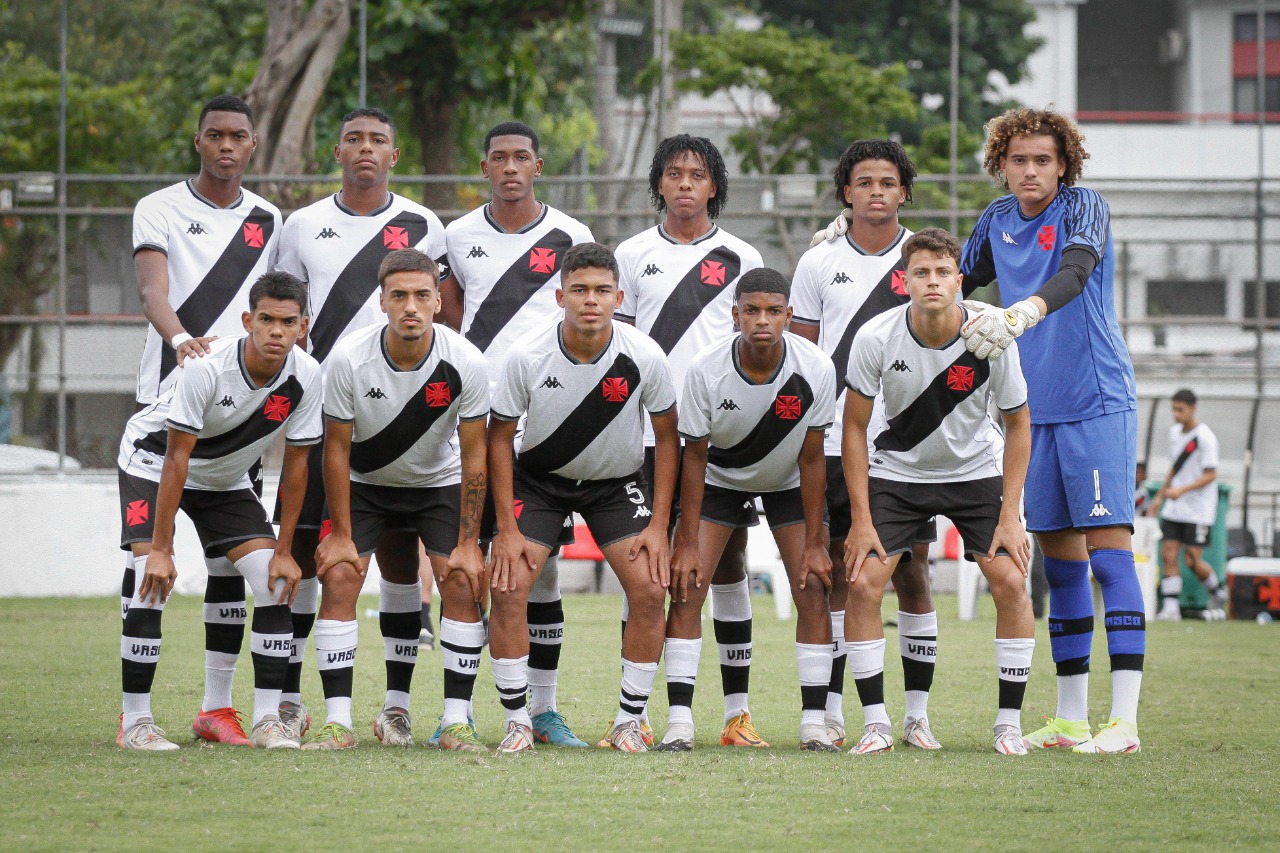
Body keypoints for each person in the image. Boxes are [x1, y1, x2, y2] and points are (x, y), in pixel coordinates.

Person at [956, 107, 1145, 754]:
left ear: (1064, 165)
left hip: (1097, 400)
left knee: (1109, 554)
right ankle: (1070, 720)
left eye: (1043, 159)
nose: (1031, 170)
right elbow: (946, 280)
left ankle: (1124, 723)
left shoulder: (1084, 206)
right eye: (1019, 160)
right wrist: (865, 246)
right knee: (1060, 567)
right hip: (1032, 415)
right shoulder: (995, 220)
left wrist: (1022, 312)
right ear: (1001, 166)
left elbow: (1076, 271)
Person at [272, 106, 451, 742]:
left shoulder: (424, 225)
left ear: (394, 155)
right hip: (323, 418)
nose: (366, 149)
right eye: (354, 139)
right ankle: (287, 700)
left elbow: (443, 313)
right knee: (305, 558)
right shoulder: (302, 225)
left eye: (378, 140)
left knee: (401, 566)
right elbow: (286, 312)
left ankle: (395, 708)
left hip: (405, 419)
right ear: (338, 151)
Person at [842, 228, 1035, 756]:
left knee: (1011, 582)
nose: (932, 281)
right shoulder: (875, 337)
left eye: (942, 272)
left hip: (974, 472)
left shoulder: (991, 335)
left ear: (959, 281)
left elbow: (1019, 423)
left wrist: (1011, 516)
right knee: (864, 584)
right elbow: (853, 427)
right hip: (898, 474)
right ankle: (879, 725)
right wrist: (861, 519)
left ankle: (1008, 726)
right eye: (921, 272)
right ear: (904, 281)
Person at [131, 94, 284, 747]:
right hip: (166, 407)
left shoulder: (268, 219)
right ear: (198, 141)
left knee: (231, 571)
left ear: (252, 144)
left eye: (237, 136)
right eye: (215, 135)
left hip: (236, 421)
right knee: (147, 570)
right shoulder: (158, 207)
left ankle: (217, 709)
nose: (226, 145)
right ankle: (135, 717)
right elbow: (152, 291)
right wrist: (181, 341)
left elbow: (275, 307)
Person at [115, 272, 321, 750]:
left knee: (275, 583)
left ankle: (262, 719)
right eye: (266, 319)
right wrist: (161, 549)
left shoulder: (308, 376)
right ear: (248, 321)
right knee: (150, 579)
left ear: (302, 326)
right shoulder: (206, 368)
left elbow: (297, 466)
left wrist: (285, 550)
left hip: (225, 479)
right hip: (152, 463)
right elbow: (176, 457)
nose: (276, 331)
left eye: (287, 322)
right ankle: (136, 722)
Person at [487, 242, 678, 753]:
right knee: (508, 587)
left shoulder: (644, 356)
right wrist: (506, 529)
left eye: (601, 290)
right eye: (579, 290)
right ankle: (518, 723)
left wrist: (659, 526)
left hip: (615, 484)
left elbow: (667, 438)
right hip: (539, 482)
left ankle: (628, 723)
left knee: (650, 589)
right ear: (560, 297)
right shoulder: (527, 355)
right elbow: (499, 438)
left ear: (618, 297)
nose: (590, 300)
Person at [441, 121, 596, 747]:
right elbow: (453, 320)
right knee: (467, 567)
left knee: (541, 572)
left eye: (522, 157)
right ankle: (457, 714)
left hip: (545, 428)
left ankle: (544, 711)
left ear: (539, 166)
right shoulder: (457, 236)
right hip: (476, 424)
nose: (510, 167)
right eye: (499, 158)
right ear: (485, 167)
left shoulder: (572, 236)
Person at [615, 134, 767, 749]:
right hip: (648, 436)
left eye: (697, 175)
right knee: (645, 570)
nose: (684, 184)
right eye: (673, 173)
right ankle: (637, 714)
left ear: (714, 186)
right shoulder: (631, 254)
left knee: (726, 563)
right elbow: (620, 348)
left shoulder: (741, 256)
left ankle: (737, 714)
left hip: (721, 435)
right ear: (659, 183)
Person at [305, 249, 490, 751]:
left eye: (422, 296)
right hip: (366, 484)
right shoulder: (348, 358)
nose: (411, 306)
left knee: (460, 580)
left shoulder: (466, 361)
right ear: (382, 301)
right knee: (341, 575)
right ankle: (339, 723)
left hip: (438, 483)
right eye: (400, 296)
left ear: (438, 301)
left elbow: (475, 455)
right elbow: (336, 449)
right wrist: (341, 534)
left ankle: (455, 722)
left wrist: (469, 542)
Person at [794, 139, 942, 749]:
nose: (876, 191)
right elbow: (803, 355)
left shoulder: (925, 262)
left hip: (906, 442)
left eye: (887, 182)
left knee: (914, 574)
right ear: (846, 192)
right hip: (835, 438)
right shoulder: (817, 262)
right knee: (839, 570)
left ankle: (916, 716)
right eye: (864, 182)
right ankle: (832, 713)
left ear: (904, 191)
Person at [661, 268, 836, 752]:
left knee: (813, 588)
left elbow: (813, 457)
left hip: (788, 481)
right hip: (718, 479)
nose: (763, 320)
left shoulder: (816, 367)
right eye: (752, 311)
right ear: (734, 315)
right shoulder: (705, 368)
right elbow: (695, 456)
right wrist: (687, 541)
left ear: (789, 315)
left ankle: (814, 725)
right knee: (688, 588)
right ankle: (680, 723)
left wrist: (816, 542)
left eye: (773, 311)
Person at [1149, 389, 1225, 619]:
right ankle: (1171, 608)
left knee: (1192, 560)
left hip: (1199, 509)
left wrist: (1181, 490)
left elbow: (1211, 475)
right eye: (1173, 409)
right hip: (1175, 507)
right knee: (1168, 554)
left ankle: (1217, 592)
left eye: (1180, 409)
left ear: (1193, 408)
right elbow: (1175, 466)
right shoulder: (1174, 433)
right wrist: (1160, 496)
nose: (1176, 414)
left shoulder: (1205, 437)